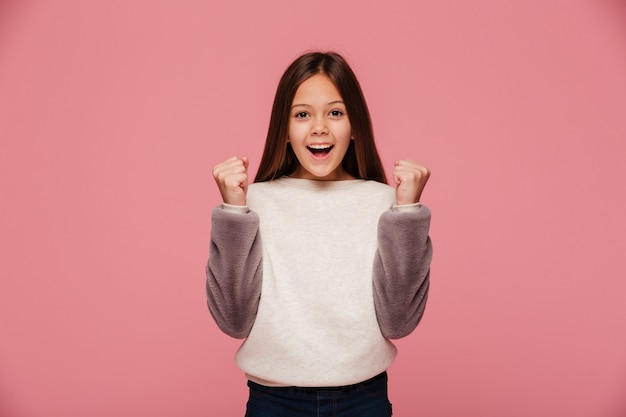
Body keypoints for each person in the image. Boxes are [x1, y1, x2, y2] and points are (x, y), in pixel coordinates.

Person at [206, 51, 433, 417]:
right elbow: (233, 320)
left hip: (364, 399)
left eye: (335, 112)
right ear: (283, 129)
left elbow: (399, 321)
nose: (319, 127)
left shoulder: (385, 202)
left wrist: (407, 212)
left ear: (355, 125)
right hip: (273, 401)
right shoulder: (252, 202)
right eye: (302, 114)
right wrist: (233, 211)